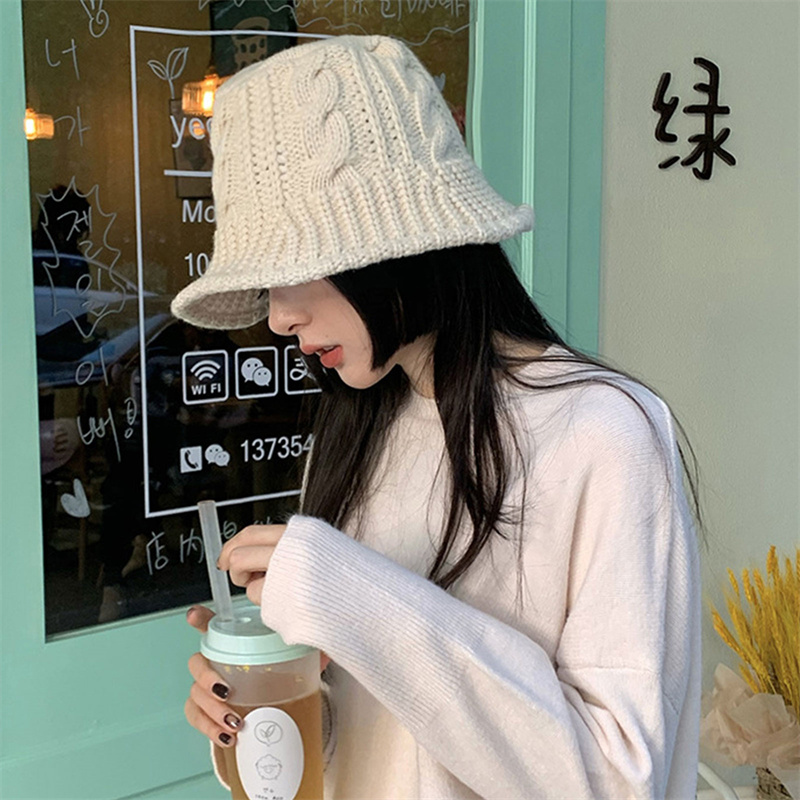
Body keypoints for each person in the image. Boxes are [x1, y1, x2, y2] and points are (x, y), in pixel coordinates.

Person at [172, 34, 704, 799]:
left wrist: (353, 596)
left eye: (291, 270)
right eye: (265, 287)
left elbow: (618, 781)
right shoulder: (357, 425)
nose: (279, 318)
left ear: (395, 243)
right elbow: (386, 747)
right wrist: (267, 709)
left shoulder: (602, 433)